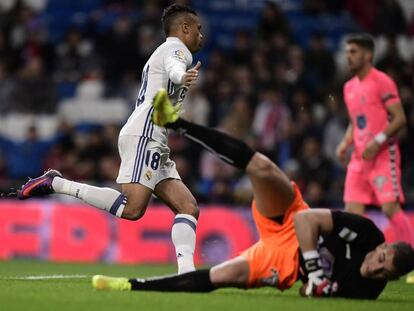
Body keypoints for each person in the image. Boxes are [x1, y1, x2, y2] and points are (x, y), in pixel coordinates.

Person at [91, 89, 414, 299]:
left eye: (385, 272)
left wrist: (312, 285)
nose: (375, 268)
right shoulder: (367, 234)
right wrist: (316, 273)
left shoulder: (368, 289)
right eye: (381, 260)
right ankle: (176, 123)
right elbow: (305, 220)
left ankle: (131, 285)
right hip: (290, 218)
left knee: (220, 277)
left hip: (283, 262)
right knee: (261, 167)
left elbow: (310, 295)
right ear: (382, 246)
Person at [16, 4, 204, 275]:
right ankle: (57, 183)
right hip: (145, 135)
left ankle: (186, 274)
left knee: (188, 207)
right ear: (184, 28)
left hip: (154, 139)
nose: (201, 35)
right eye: (198, 29)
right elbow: (176, 67)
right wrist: (181, 75)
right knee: (132, 209)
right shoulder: (177, 50)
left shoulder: (162, 52)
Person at [336, 33, 414, 246]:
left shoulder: (382, 81)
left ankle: (410, 260)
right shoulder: (348, 87)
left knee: (390, 208)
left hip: (382, 155)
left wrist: (377, 141)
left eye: (353, 52)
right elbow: (356, 121)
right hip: (360, 158)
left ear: (368, 54)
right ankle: (359, 263)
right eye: (346, 52)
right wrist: (345, 143)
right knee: (352, 213)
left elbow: (399, 119)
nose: (348, 57)